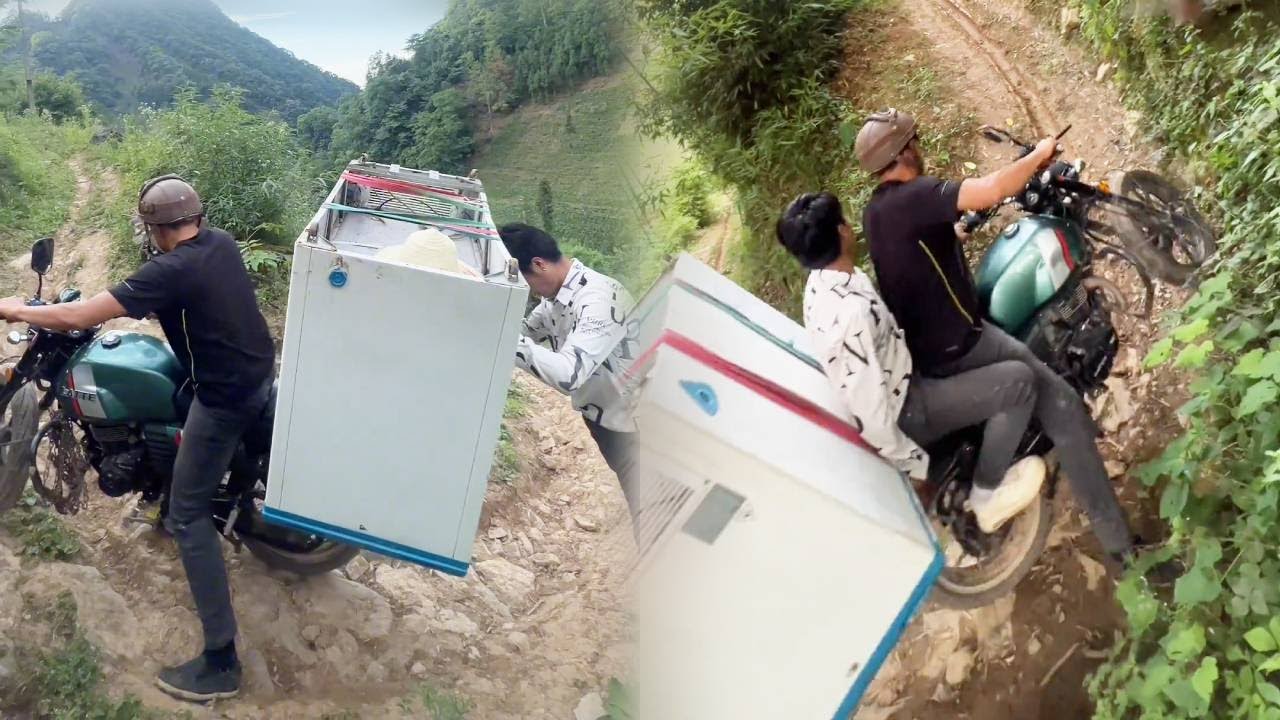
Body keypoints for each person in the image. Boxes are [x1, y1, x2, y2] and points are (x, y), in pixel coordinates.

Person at [0, 175, 275, 701]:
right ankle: (163, 483)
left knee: (189, 516)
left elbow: (81, 316)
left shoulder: (170, 268)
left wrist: (16, 309)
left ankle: (221, 662)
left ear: (153, 228)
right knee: (170, 400)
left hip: (225, 398)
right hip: (253, 373)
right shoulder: (218, 245)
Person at [853, 108, 1137, 566]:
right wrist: (1041, 153)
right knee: (1046, 395)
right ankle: (1113, 546)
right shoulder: (915, 195)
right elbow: (992, 188)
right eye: (916, 141)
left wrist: (961, 229)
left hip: (936, 346)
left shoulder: (879, 211)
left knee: (1056, 397)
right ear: (904, 151)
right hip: (962, 347)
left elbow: (922, 253)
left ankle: (1071, 447)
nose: (920, 149)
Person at [777, 192, 1045, 533]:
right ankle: (986, 496)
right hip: (908, 405)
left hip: (904, 368)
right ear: (842, 231)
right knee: (1019, 382)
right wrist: (912, 462)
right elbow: (871, 410)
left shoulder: (823, 284)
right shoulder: (849, 317)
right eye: (843, 221)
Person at [496, 223, 640, 515]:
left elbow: (568, 375)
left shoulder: (598, 299)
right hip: (606, 421)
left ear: (538, 264)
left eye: (523, 281)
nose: (526, 292)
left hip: (638, 428)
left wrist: (503, 337)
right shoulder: (555, 301)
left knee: (652, 512)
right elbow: (526, 330)